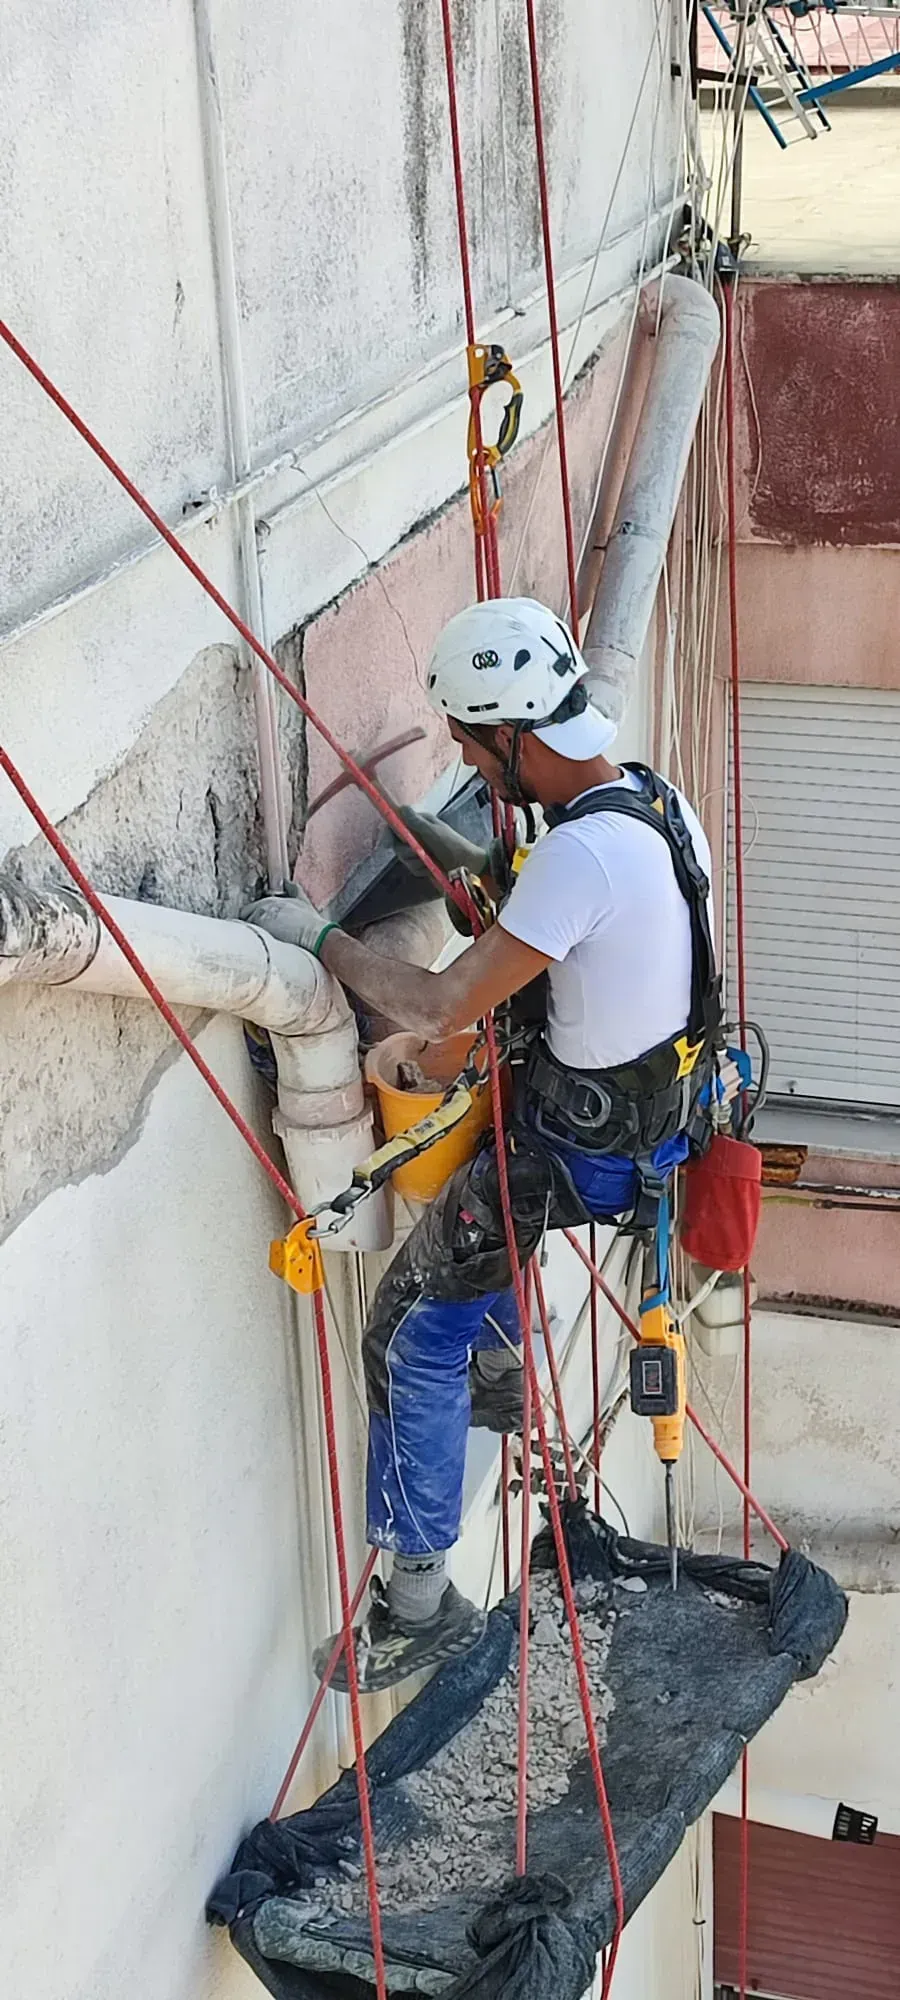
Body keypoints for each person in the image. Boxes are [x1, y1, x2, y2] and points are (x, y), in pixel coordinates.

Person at [246, 597, 721, 1691]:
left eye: (469, 739)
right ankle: (499, 1379)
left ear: (512, 735)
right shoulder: (656, 804)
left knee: (405, 1330)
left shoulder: (583, 858)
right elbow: (591, 951)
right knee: (472, 1254)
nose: (464, 753)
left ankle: (416, 1605)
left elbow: (441, 993)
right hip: (648, 1134)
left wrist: (313, 938)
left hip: (573, 1151)